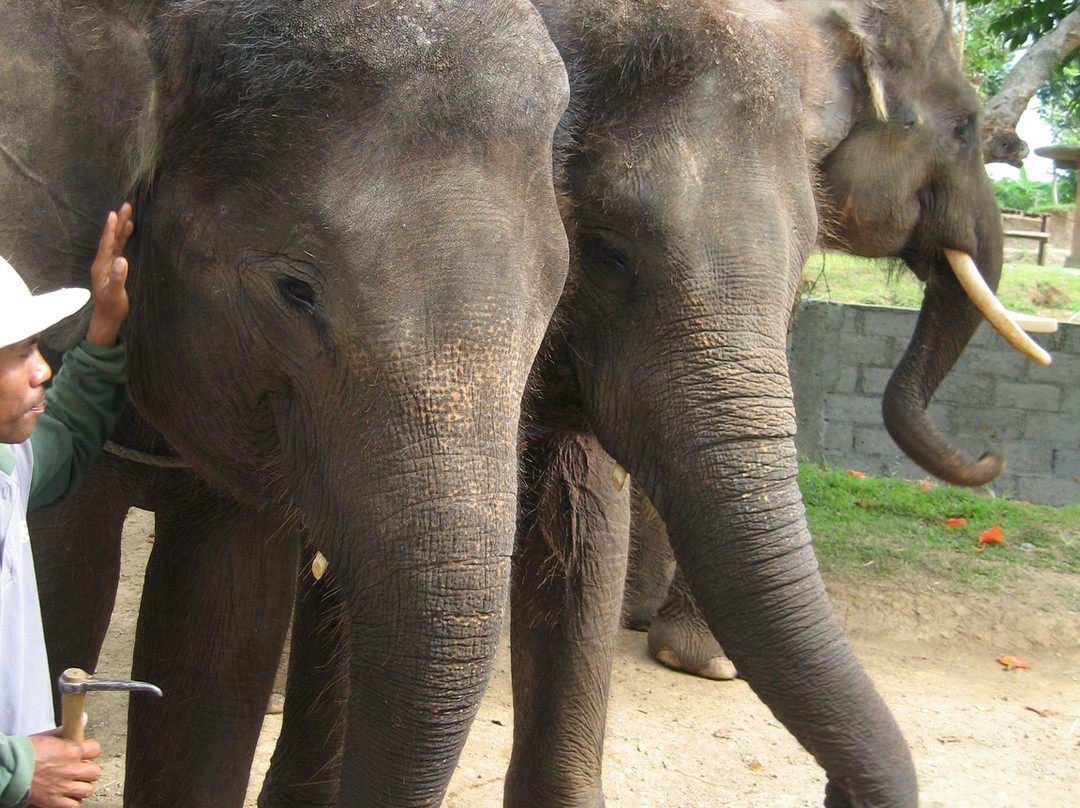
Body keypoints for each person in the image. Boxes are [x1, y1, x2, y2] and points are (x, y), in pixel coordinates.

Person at [0, 204, 133, 808]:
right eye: (18, 353)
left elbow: (70, 429)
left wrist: (104, 323)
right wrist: (16, 770)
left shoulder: (10, 466)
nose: (42, 368)